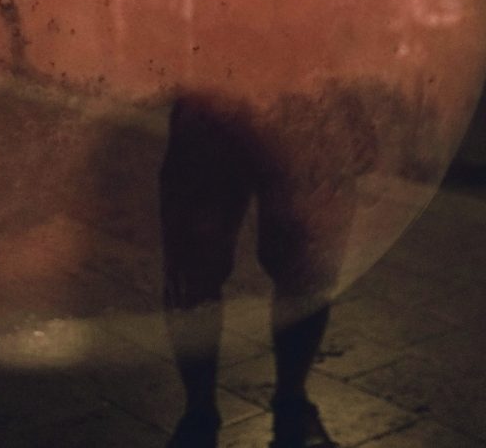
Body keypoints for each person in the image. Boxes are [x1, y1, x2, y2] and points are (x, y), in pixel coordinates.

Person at [160, 85, 378, 448]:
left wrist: (351, 102)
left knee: (309, 262)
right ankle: (202, 413)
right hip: (215, 93)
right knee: (193, 266)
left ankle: (288, 404)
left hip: (307, 96)